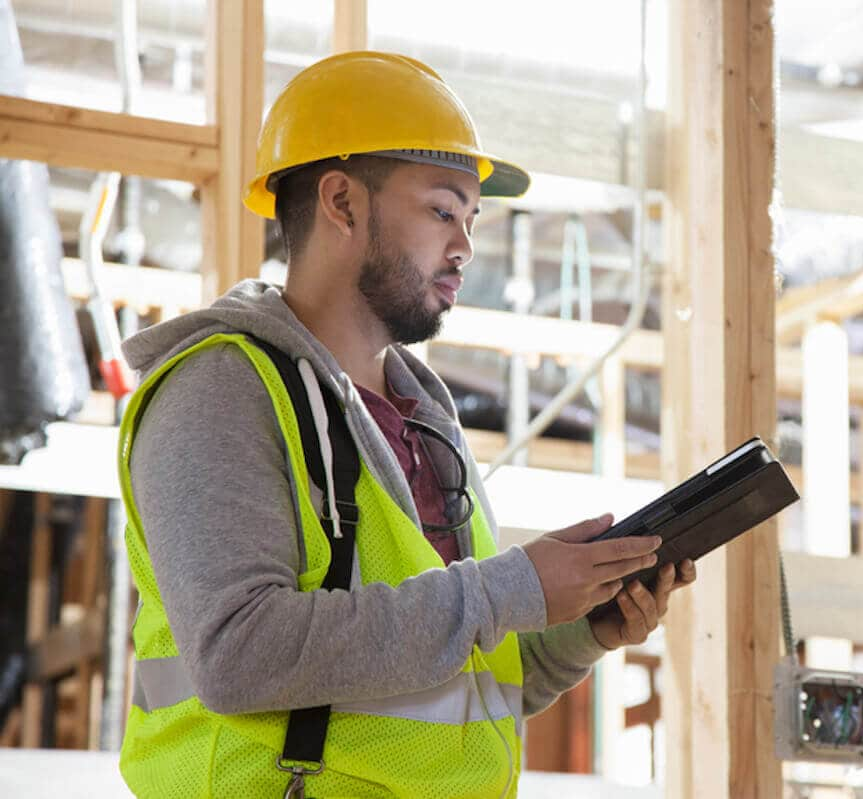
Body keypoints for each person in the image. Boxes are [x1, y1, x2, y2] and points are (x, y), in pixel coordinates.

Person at [116, 51, 695, 798]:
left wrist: (582, 629)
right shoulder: (221, 387)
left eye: (472, 218)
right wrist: (507, 590)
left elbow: (458, 681)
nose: (465, 247)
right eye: (442, 210)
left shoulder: (424, 415)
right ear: (342, 203)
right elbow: (239, 653)